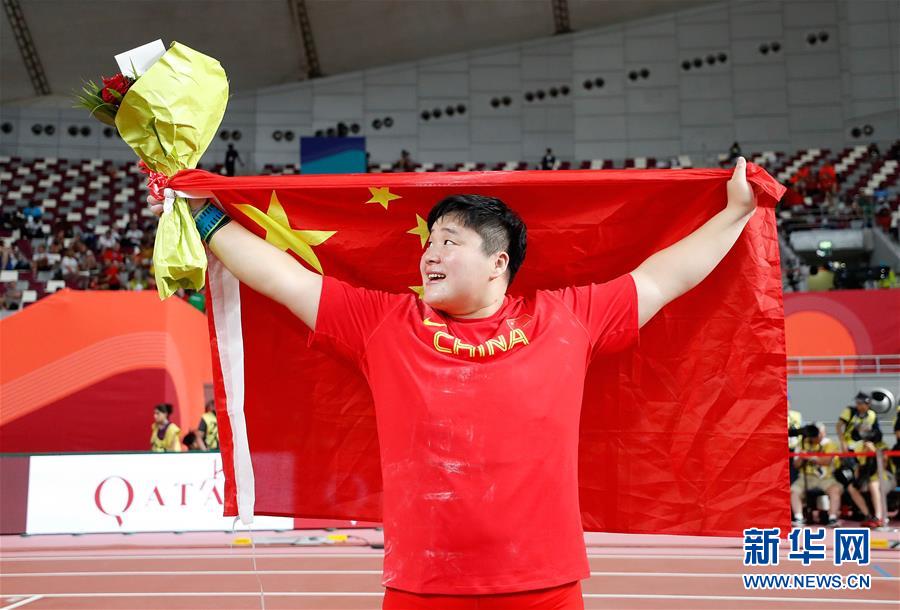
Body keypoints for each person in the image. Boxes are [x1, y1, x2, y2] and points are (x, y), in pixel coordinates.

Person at [148, 158, 757, 608]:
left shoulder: (566, 319)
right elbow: (285, 279)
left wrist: (736, 212)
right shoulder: (384, 325)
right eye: (429, 242)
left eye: (449, 242)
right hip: (423, 587)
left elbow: (662, 279)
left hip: (544, 586)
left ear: (499, 262)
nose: (430, 255)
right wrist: (199, 213)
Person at [791, 422, 843, 526]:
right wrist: (801, 457)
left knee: (835, 490)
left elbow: (826, 461)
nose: (816, 436)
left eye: (819, 432)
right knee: (793, 491)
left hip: (826, 478)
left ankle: (832, 518)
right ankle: (799, 518)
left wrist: (809, 457)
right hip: (806, 477)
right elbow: (796, 465)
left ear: (824, 433)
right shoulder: (802, 443)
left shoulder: (829, 444)